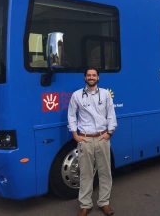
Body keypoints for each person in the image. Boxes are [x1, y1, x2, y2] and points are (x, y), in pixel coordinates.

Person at [68, 66, 117, 216]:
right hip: (86, 140)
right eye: (88, 75)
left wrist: (109, 133)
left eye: (94, 75)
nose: (91, 77)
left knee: (105, 172)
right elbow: (71, 116)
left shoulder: (105, 94)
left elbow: (111, 114)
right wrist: (75, 135)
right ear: (84, 78)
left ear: (98, 78)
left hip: (102, 138)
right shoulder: (77, 95)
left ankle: (104, 203)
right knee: (85, 174)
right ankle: (86, 205)